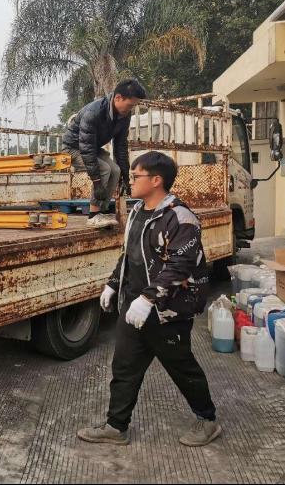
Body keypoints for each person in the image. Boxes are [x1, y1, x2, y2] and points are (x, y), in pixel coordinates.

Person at [77, 151, 220, 447]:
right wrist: (113, 284)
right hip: (134, 308)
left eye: (136, 175)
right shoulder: (137, 212)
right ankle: (116, 427)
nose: (130, 181)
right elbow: (128, 255)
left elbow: (180, 265)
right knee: (124, 367)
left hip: (166, 310)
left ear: (156, 180)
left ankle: (207, 420)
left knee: (182, 368)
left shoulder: (180, 217)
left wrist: (149, 299)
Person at [62, 79, 146, 228]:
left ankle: (102, 211)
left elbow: (120, 147)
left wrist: (126, 177)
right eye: (130, 105)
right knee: (104, 169)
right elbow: (86, 148)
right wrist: (97, 182)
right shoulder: (93, 113)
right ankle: (93, 215)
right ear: (118, 98)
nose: (131, 109)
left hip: (91, 148)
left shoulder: (124, 115)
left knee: (116, 170)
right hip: (72, 148)